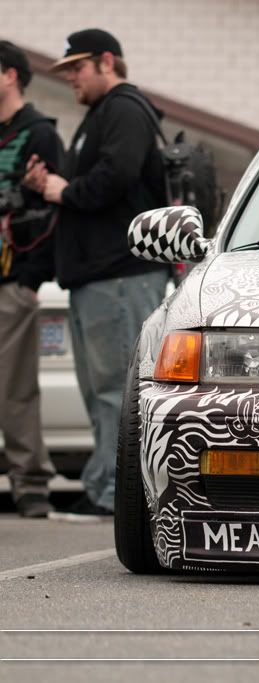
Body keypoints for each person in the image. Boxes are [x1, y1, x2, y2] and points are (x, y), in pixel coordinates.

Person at [22, 29, 169, 521]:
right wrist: (52, 184)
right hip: (100, 278)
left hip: (119, 275)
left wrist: (65, 190)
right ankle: (104, 486)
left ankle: (111, 494)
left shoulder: (124, 109)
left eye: (77, 68)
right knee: (101, 391)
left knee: (115, 392)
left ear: (108, 61)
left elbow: (118, 174)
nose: (71, 78)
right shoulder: (103, 114)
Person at [0, 41, 63, 518]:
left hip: (12, 280)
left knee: (14, 388)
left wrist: (31, 279)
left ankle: (30, 484)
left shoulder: (39, 133)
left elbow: (53, 212)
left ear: (10, 75)